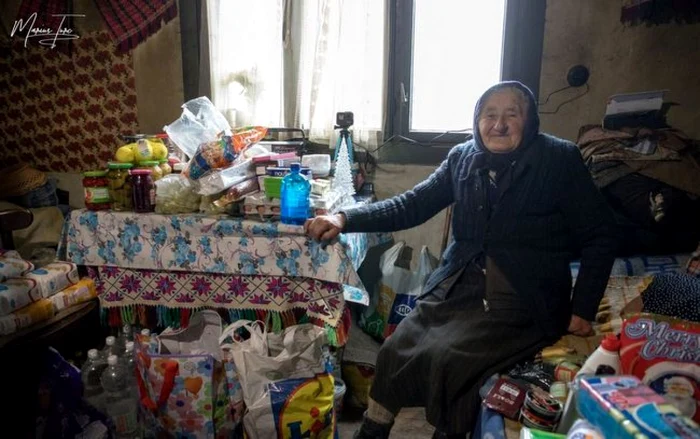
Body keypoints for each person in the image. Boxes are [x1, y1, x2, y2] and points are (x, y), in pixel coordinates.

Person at [305, 81, 618, 438]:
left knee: (452, 359)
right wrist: (344, 219)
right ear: (477, 120)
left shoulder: (559, 159)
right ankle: (373, 429)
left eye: (511, 115)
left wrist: (583, 308)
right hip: (459, 286)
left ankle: (448, 433)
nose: (498, 124)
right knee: (395, 347)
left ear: (530, 121)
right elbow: (413, 204)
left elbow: (601, 233)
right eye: (489, 115)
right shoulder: (463, 157)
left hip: (524, 296)